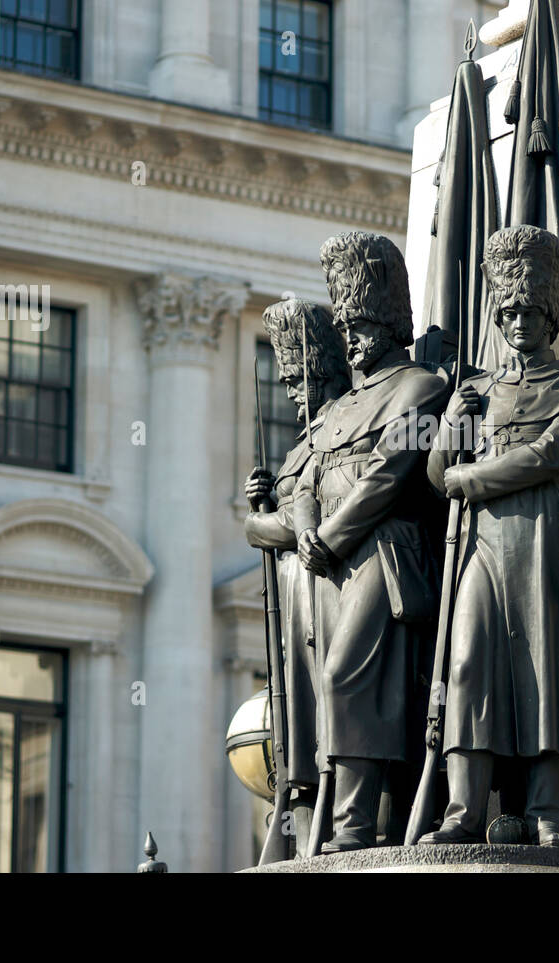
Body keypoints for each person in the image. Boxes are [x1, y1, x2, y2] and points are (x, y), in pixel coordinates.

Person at [420, 225, 559, 848]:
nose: (519, 321)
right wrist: (455, 420)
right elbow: (433, 474)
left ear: (551, 312)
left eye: (531, 310)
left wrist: (467, 476)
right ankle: (463, 811)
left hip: (552, 543)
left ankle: (547, 812)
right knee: (469, 662)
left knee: (549, 669)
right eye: (508, 311)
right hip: (482, 547)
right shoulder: (477, 392)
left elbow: (547, 457)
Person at [293, 231, 448, 853]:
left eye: (361, 324)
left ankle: (356, 822)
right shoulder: (334, 410)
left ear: (388, 322)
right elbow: (304, 478)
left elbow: (388, 474)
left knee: (345, 676)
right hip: (325, 561)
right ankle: (341, 815)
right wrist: (307, 530)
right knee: (326, 686)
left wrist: (328, 534)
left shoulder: (420, 386)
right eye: (345, 325)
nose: (351, 339)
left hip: (384, 552)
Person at [243, 298, 351, 853]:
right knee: (299, 727)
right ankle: (303, 833)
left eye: (301, 377)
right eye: (286, 379)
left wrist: (258, 521)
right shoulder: (298, 446)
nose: (292, 391)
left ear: (329, 370)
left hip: (325, 586)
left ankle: (343, 825)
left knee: (331, 714)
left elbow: (298, 518)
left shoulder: (342, 427)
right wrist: (265, 505)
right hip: (294, 595)